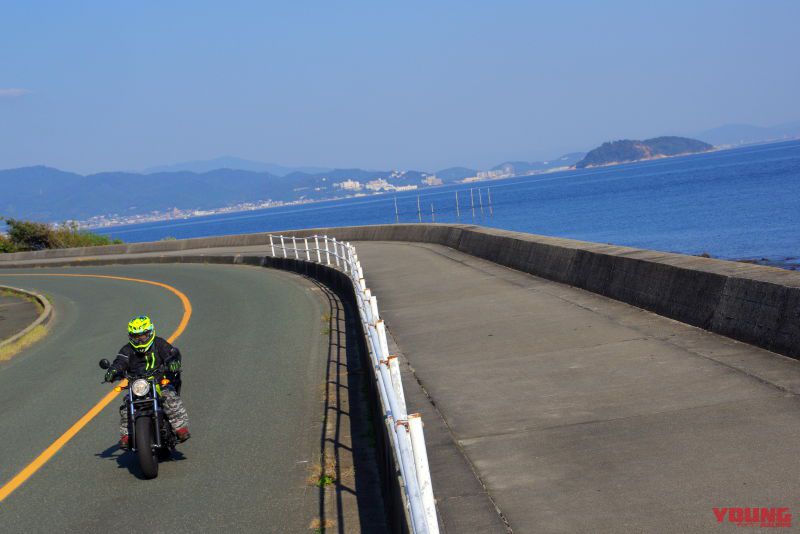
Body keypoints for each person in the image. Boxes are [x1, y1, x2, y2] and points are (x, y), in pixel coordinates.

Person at [104, 315, 191, 449]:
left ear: (150, 333)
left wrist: (173, 362)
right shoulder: (127, 349)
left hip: (159, 381)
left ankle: (180, 428)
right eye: (136, 336)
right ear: (130, 337)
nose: (140, 340)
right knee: (126, 407)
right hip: (138, 384)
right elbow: (120, 362)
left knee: (169, 397)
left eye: (143, 336)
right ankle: (127, 435)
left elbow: (171, 353)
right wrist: (113, 371)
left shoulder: (159, 343)